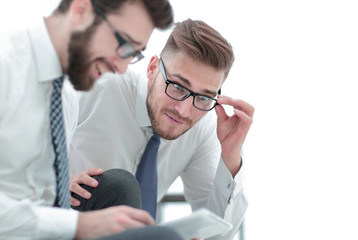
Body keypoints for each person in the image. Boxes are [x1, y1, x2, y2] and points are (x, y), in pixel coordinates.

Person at [0, 0, 184, 239]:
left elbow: (37, 199)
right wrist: (77, 225)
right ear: (81, 10)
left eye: (134, 53)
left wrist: (61, 195)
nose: (121, 68)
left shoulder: (65, 99)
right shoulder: (7, 67)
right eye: (123, 44)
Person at [69, 18, 254, 240]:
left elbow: (216, 234)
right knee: (120, 186)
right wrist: (54, 185)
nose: (184, 111)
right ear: (152, 68)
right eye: (177, 86)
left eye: (204, 97)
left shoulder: (202, 126)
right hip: (57, 224)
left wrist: (231, 157)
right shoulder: (98, 85)